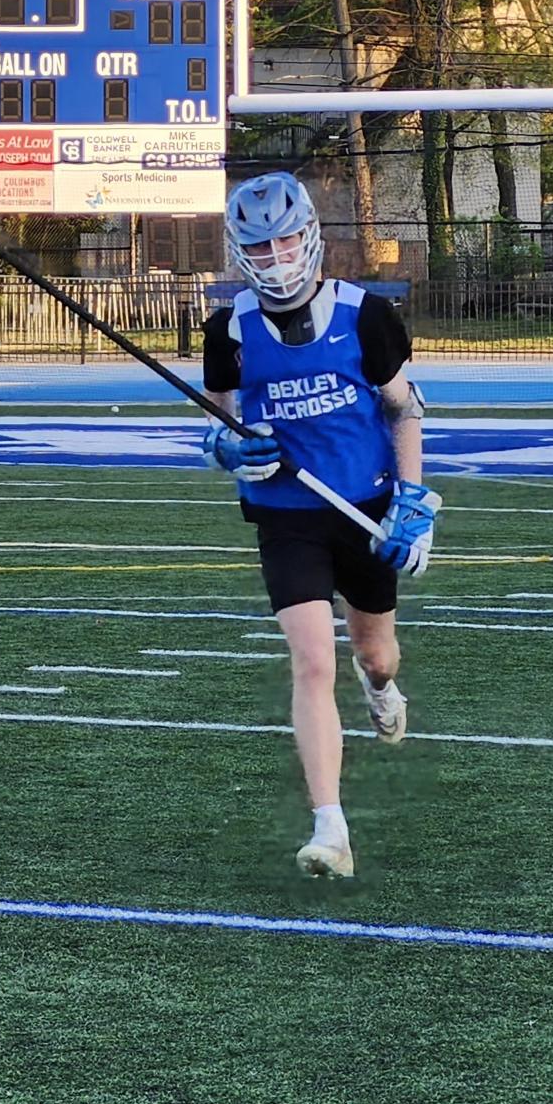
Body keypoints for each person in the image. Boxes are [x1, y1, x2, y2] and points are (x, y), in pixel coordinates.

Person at [201, 171, 441, 879]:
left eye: (284, 241)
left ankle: (382, 690)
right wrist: (229, 448)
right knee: (311, 661)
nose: (275, 259)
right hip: (286, 516)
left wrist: (415, 497)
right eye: (259, 247)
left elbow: (404, 409)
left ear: (310, 237)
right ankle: (330, 827)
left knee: (375, 654)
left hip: (364, 508)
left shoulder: (365, 315)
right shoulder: (230, 329)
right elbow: (217, 421)